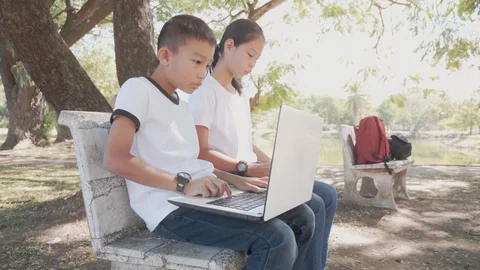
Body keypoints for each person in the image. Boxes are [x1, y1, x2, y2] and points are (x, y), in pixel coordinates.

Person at [103, 14, 317, 270]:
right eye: (196, 62)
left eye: (206, 65)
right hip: (168, 210)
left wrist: (238, 181)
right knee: (276, 238)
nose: (203, 73)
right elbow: (115, 159)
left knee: (303, 217)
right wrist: (184, 185)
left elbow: (194, 163)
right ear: (165, 56)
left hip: (200, 199)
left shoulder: (182, 106)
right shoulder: (138, 89)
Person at [188, 18, 338, 270]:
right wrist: (244, 166)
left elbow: (247, 143)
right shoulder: (205, 91)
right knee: (314, 203)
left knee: (328, 194)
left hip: (250, 169)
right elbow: (201, 151)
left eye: (256, 59)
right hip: (234, 176)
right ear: (229, 45)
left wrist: (274, 163)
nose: (252, 64)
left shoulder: (239, 93)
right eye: (250, 54)